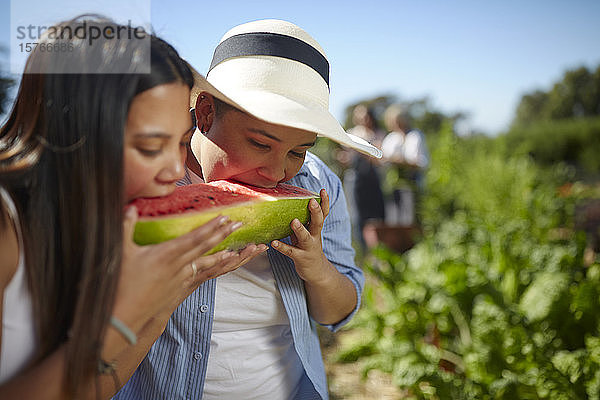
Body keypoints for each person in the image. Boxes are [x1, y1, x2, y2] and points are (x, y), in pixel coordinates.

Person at [115, 19, 382, 400]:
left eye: (297, 152)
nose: (277, 173)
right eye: (259, 144)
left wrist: (317, 268)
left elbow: (337, 313)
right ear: (205, 112)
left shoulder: (318, 187)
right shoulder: (138, 182)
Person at [0, 16, 264, 399]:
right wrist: (120, 317)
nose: (175, 170)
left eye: (181, 142)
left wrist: (172, 292)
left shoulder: (92, 221)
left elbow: (92, 389)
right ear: (75, 133)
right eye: (149, 147)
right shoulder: (7, 226)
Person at [343, 104, 387, 248]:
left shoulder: (378, 134)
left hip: (373, 180)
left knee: (378, 213)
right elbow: (348, 159)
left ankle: (379, 248)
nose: (364, 118)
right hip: (356, 179)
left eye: (366, 115)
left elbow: (381, 160)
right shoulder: (350, 134)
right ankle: (363, 250)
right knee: (358, 216)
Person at [381, 104, 429, 226]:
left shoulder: (415, 136)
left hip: (411, 184)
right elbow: (383, 159)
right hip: (394, 184)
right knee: (394, 218)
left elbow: (420, 162)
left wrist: (398, 161)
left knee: (410, 219)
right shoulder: (391, 138)